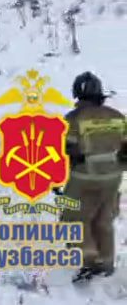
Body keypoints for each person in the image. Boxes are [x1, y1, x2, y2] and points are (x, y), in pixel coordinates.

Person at [60, 72, 125, 283]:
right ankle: (106, 264)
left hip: (85, 176)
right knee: (104, 220)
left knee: (73, 219)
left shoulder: (73, 118)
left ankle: (88, 262)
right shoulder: (118, 116)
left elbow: (66, 149)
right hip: (113, 177)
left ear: (77, 93)